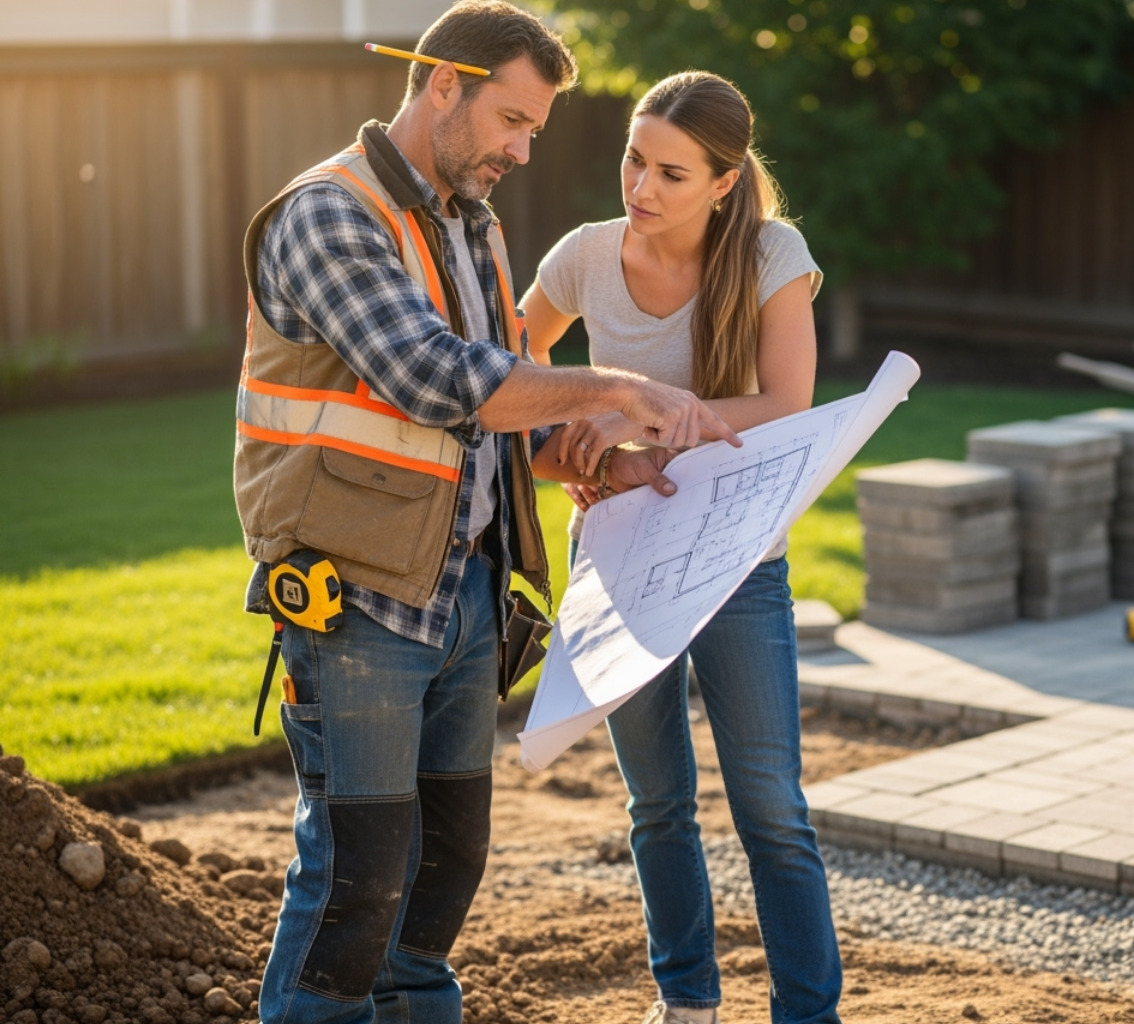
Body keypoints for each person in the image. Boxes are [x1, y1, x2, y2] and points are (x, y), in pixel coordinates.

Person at [233, 6, 738, 1023]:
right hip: (359, 599)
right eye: (511, 118)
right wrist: (612, 392)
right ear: (442, 85)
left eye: (535, 131)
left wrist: (596, 460)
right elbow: (432, 378)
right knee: (356, 874)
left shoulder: (474, 225)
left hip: (463, 592)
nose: (520, 148)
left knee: (449, 858)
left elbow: (493, 417)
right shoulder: (332, 214)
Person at [520, 71, 839, 1024]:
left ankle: (806, 1014)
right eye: (632, 158)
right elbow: (503, 370)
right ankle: (687, 1003)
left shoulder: (773, 255)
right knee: (656, 806)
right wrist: (564, 448)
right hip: (616, 564)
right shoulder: (582, 256)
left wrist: (625, 427)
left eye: (670, 172)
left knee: (772, 812)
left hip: (740, 560)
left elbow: (787, 406)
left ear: (725, 181)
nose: (641, 187)